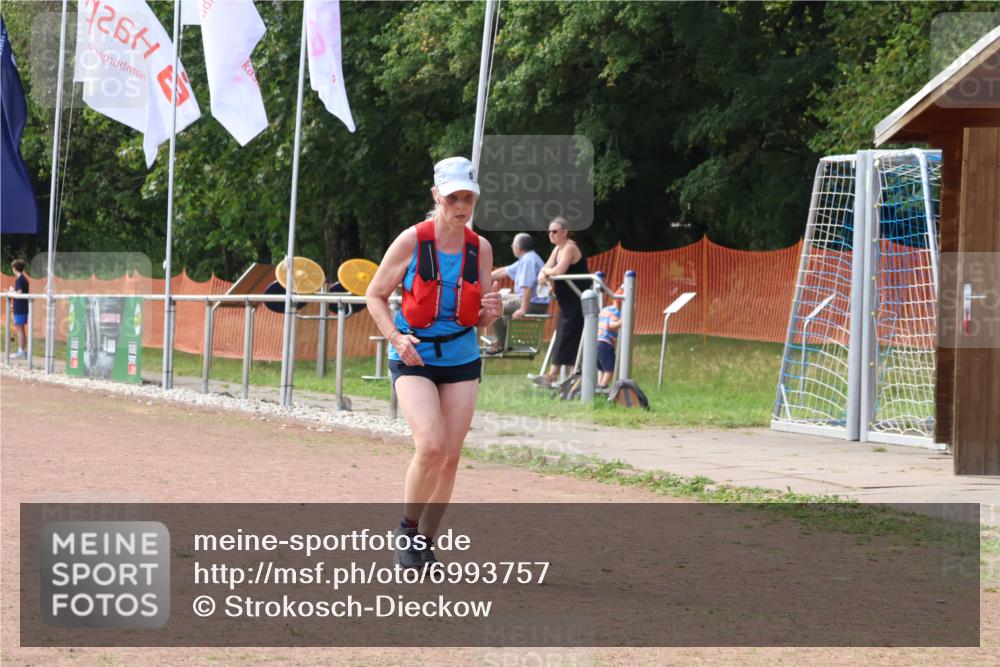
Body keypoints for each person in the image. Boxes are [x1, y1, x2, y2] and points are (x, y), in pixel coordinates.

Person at [366, 156, 502, 569]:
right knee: (431, 445)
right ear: (436, 196)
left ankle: (425, 542)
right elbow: (375, 295)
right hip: (414, 355)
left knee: (451, 456)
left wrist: (491, 313)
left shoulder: (480, 248)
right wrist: (395, 337)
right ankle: (406, 530)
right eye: (453, 197)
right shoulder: (412, 241)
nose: (461, 206)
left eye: (468, 198)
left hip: (461, 356)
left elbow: (478, 318)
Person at [531, 217, 588, 386]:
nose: (551, 234)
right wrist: (543, 273)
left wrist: (545, 273)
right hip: (567, 301)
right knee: (562, 333)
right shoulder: (558, 249)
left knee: (569, 335)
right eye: (549, 231)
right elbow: (546, 267)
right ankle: (558, 375)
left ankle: (559, 375)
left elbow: (558, 270)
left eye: (554, 231)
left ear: (565, 232)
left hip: (578, 298)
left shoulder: (569, 247)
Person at [486, 232, 550, 354]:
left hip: (532, 303)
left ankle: (501, 343)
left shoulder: (528, 260)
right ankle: (506, 340)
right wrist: (484, 278)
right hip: (529, 300)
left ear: (518, 247)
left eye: (512, 245)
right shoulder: (527, 258)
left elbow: (527, 286)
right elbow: (505, 271)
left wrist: (523, 309)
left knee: (493, 306)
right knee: (498, 298)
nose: (512, 248)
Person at [597, 289, 623, 390]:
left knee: (601, 368)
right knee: (610, 369)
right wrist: (621, 322)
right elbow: (611, 325)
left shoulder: (606, 309)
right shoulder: (616, 312)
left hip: (597, 341)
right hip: (606, 343)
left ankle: (599, 386)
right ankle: (603, 386)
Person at [8, 260, 29, 359]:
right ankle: (22, 350)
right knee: (21, 329)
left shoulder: (20, 279)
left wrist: (12, 292)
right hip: (22, 307)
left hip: (20, 308)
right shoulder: (23, 279)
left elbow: (20, 293)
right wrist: (13, 291)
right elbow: (20, 291)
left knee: (20, 329)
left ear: (15, 268)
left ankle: (21, 351)